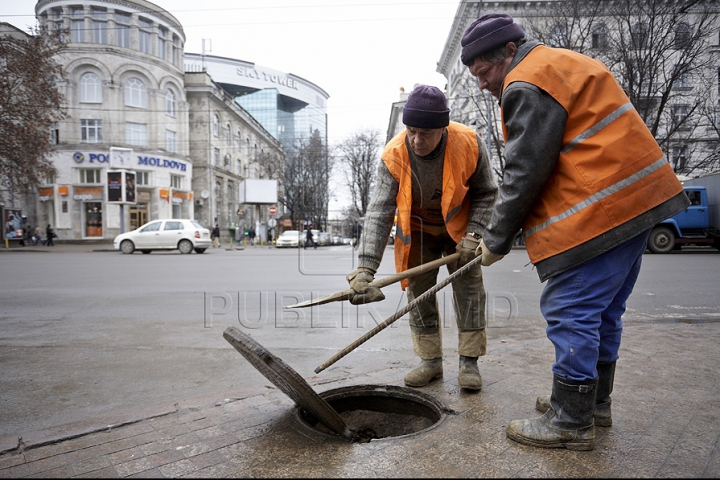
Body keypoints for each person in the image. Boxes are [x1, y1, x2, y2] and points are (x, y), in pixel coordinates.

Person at [459, 13, 689, 449]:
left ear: (508, 51)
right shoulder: (560, 64)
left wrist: (495, 238)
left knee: (572, 309)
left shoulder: (525, 82)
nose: (484, 84)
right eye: (475, 76)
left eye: (485, 72)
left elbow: (525, 169)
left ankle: (570, 421)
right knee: (602, 312)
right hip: (634, 202)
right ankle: (591, 404)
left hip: (602, 212)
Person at [346, 85, 498, 391]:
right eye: (411, 131)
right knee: (420, 295)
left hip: (461, 233)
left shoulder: (469, 143)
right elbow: (379, 211)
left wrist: (474, 233)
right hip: (420, 232)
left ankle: (469, 361)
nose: (417, 140)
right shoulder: (394, 154)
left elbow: (487, 192)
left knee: (469, 293)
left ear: (443, 127)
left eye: (425, 133)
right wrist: (365, 269)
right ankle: (430, 362)